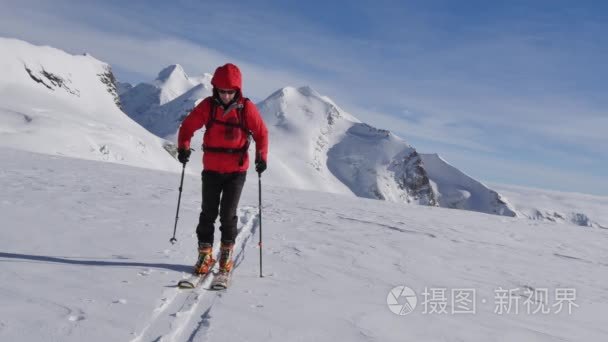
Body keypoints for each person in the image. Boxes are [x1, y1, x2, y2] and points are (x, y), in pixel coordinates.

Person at [177, 63, 268, 276]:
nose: (226, 95)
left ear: (237, 90)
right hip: (211, 169)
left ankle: (226, 253)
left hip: (236, 172)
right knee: (207, 213)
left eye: (230, 91)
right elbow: (187, 126)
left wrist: (261, 157)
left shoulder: (246, 108)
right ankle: (204, 253)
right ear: (215, 88)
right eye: (222, 91)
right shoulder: (208, 106)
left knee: (228, 214)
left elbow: (262, 133)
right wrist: (183, 147)